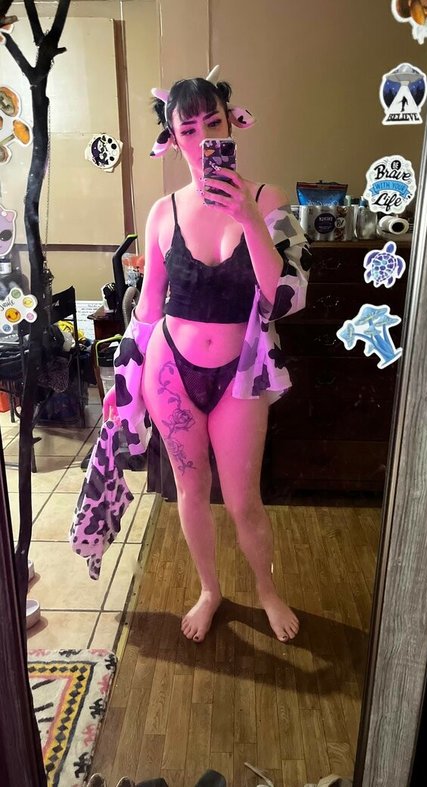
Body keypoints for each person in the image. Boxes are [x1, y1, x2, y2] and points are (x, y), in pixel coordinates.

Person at [103, 66, 311, 643]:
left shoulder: (268, 201)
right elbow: (148, 308)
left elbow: (285, 298)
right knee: (191, 492)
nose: (201, 140)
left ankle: (267, 590)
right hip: (170, 370)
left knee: (244, 501)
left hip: (241, 376)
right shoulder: (162, 212)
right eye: (187, 130)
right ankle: (209, 590)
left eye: (211, 123)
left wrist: (248, 218)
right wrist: (123, 382)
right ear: (172, 139)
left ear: (231, 124)